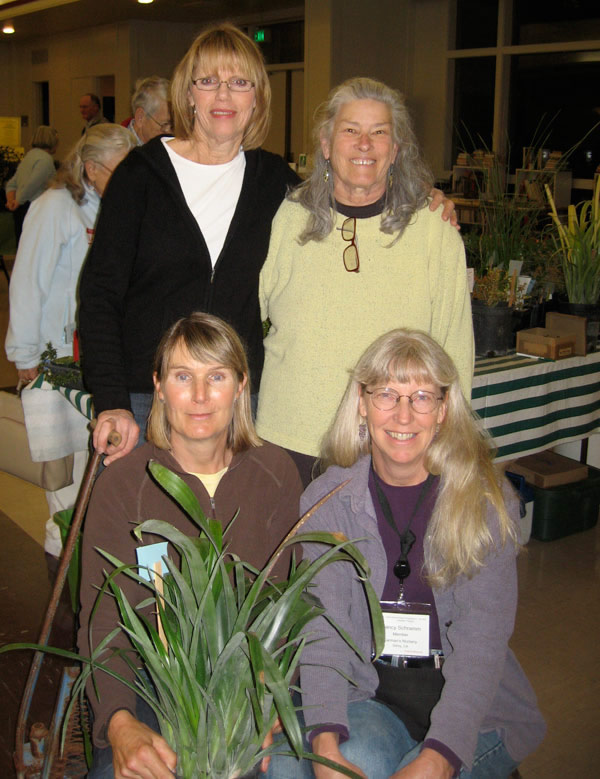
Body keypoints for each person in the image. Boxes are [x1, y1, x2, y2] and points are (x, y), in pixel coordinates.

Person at [78, 24, 456, 468]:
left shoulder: (275, 183)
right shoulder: (140, 176)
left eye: (239, 83)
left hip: (240, 404)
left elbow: (350, 196)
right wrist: (113, 400)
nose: (223, 96)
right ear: (188, 95)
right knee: (149, 531)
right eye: (208, 81)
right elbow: (100, 294)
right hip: (150, 397)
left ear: (256, 98)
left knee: (234, 530)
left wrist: (418, 197)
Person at [267, 329, 545, 779]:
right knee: (287, 770)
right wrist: (325, 742)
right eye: (386, 395)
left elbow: (481, 646)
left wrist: (439, 758)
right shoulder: (326, 501)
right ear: (361, 403)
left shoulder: (487, 503)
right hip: (373, 693)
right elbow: (324, 629)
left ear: (443, 410)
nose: (403, 414)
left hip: (472, 708)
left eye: (421, 396)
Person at [78, 312, 303, 779]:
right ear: (158, 386)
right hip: (151, 685)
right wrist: (119, 725)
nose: (200, 397)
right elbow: (102, 623)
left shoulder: (275, 472)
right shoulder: (123, 485)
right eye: (184, 377)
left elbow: (291, 603)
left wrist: (267, 694)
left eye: (215, 377)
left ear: (241, 386)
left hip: (251, 681)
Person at [256, 77, 474, 485]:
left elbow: (456, 349)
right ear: (325, 144)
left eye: (379, 133)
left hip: (390, 442)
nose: (364, 144)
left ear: (395, 150)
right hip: (288, 437)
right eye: (350, 130)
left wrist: (449, 441)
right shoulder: (288, 217)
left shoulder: (434, 230)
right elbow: (252, 312)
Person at [5, 124, 136, 552]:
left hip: (98, 359)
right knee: (62, 480)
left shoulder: (118, 208)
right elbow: (28, 283)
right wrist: (23, 353)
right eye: (120, 169)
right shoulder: (53, 208)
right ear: (91, 167)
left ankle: (83, 563)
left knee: (93, 468)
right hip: (54, 360)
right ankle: (59, 563)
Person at [4, 124, 59, 243]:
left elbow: (11, 184)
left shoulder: (29, 156)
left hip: (20, 209)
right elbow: (33, 184)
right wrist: (18, 201)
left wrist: (11, 201)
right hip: (33, 208)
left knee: (21, 243)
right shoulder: (45, 160)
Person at [123, 75, 172, 145]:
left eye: (173, 126)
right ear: (140, 117)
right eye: (165, 125)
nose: (170, 133)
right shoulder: (119, 152)